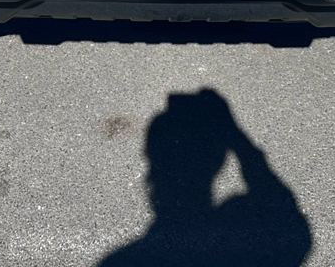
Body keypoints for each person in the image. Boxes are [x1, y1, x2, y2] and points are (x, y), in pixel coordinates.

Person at [99, 89, 312, 267]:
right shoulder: (273, 247)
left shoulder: (122, 262)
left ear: (152, 166)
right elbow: (277, 203)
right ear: (218, 162)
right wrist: (235, 136)